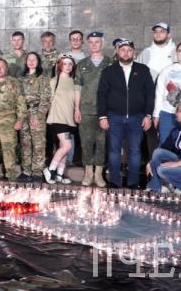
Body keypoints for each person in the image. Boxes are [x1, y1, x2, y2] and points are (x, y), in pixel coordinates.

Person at [98, 38, 155, 189]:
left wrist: (148, 115)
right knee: (114, 151)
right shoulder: (108, 71)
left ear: (134, 52)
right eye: (122, 50)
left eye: (129, 50)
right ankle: (115, 182)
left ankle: (133, 183)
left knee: (135, 151)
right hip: (114, 117)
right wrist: (102, 116)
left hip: (137, 118)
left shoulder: (143, 70)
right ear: (117, 52)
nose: (126, 53)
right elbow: (102, 94)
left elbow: (150, 94)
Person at [76, 32, 111, 187]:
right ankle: (88, 172)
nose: (94, 44)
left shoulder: (110, 63)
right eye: (91, 42)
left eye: (97, 41)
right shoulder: (82, 64)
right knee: (86, 142)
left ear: (102, 43)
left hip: (105, 111)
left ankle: (99, 174)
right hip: (86, 109)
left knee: (102, 142)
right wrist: (76, 109)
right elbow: (77, 88)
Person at [43, 55, 82, 184]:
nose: (68, 66)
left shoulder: (74, 81)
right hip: (57, 118)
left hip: (69, 119)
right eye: (64, 64)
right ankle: (50, 170)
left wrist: (77, 111)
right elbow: (47, 100)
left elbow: (76, 100)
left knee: (64, 147)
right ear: (60, 66)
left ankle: (59, 174)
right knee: (67, 145)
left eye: (70, 64)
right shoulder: (53, 81)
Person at [18, 52, 51, 182]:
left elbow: (46, 99)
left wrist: (38, 115)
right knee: (25, 143)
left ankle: (37, 172)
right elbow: (17, 98)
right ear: (26, 62)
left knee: (38, 143)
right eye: (29, 59)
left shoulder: (43, 78)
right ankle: (26, 171)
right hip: (23, 113)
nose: (31, 62)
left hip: (36, 112)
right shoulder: (21, 79)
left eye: (34, 59)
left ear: (38, 62)